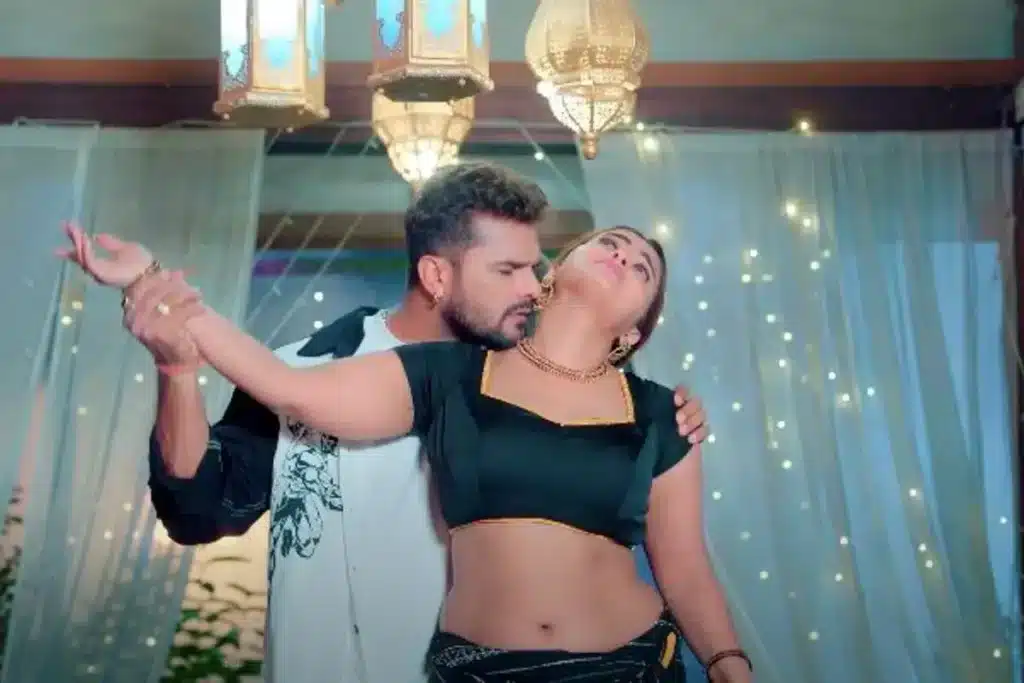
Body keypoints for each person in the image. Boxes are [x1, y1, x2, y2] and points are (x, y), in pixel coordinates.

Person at [60, 164, 712, 682]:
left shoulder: (526, 389)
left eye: (535, 268)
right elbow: (199, 512)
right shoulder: (302, 366)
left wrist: (667, 417)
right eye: (508, 270)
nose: (530, 287)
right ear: (436, 274)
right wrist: (176, 365)